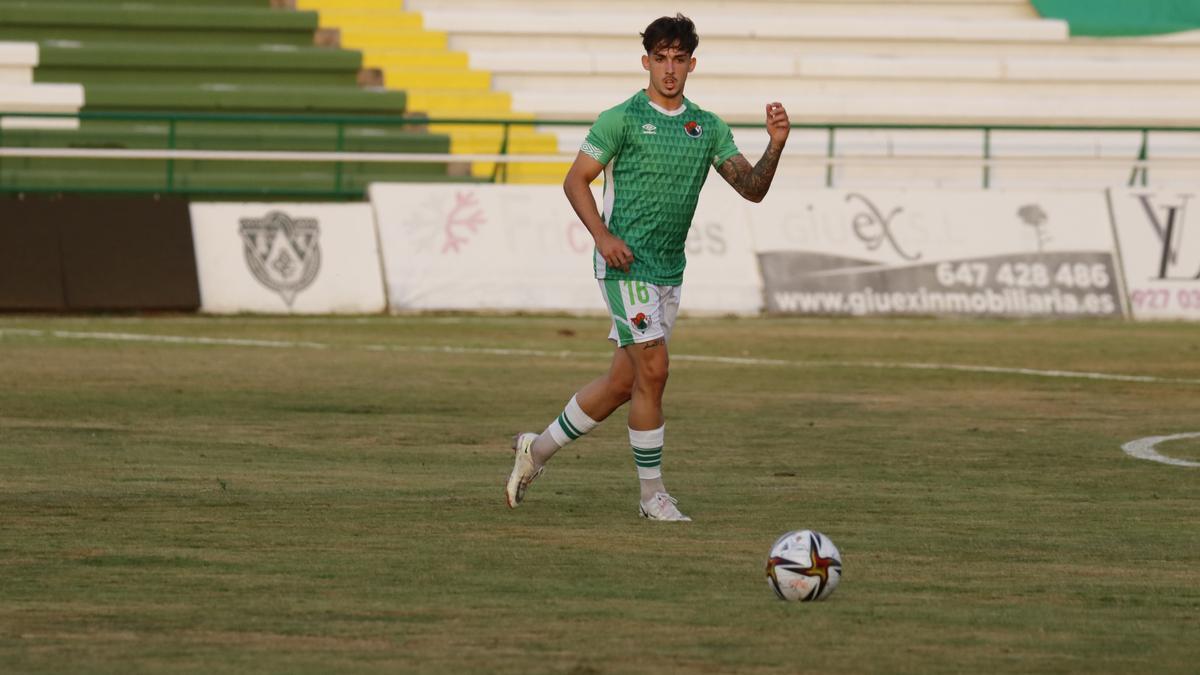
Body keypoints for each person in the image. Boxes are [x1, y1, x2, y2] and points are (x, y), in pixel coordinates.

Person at [505, 13, 790, 521]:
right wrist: (603, 236)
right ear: (646, 62)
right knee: (655, 372)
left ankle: (536, 450)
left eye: (679, 59)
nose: (669, 69)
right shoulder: (622, 118)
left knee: (622, 384)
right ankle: (652, 496)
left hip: (667, 271)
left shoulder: (707, 127)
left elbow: (752, 189)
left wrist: (775, 145)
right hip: (624, 266)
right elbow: (576, 181)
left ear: (692, 64)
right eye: (660, 58)